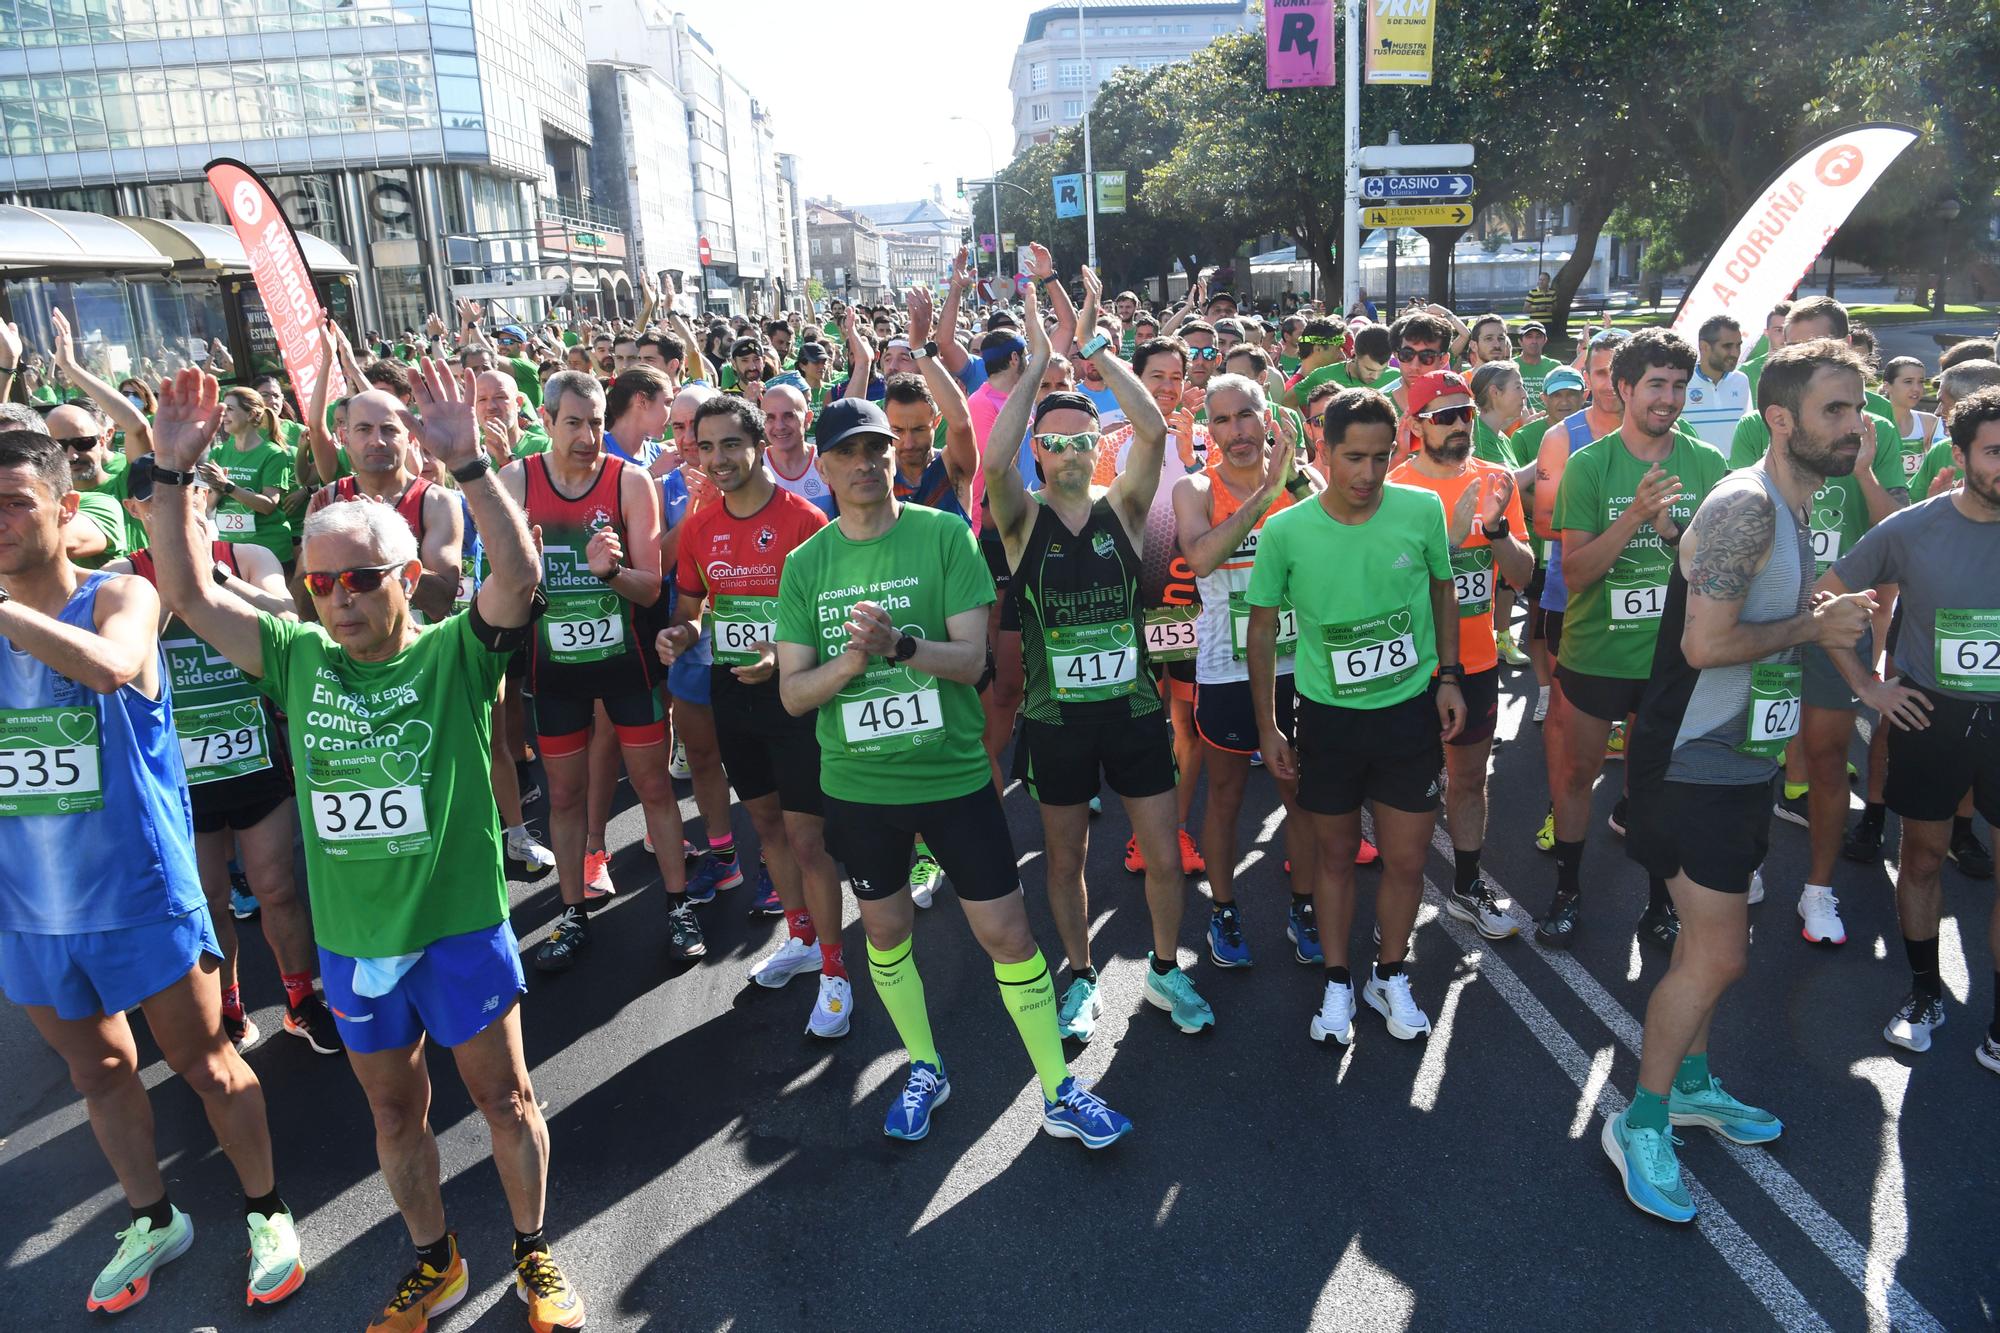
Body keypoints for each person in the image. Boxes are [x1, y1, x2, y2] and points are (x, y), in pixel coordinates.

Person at [146, 361, 586, 1331]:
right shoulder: (297, 656)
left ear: (404, 579)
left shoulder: (453, 652)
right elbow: (183, 589)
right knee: (395, 1116)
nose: (338, 600)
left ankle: (532, 1252)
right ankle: (436, 1262)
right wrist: (172, 477)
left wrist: (469, 461)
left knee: (506, 1100)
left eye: (358, 580)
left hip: (459, 924)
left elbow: (518, 576)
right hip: (356, 944)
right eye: (321, 583)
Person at [0, 427, 306, 1314]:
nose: (1, 521)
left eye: (16, 502)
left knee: (207, 1064)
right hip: (31, 907)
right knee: (98, 1071)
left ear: (66, 511)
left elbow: (112, 667)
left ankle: (267, 1209)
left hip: (139, 893)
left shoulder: (121, 595)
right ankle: (152, 1216)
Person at [773, 396, 1134, 1148]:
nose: (869, 462)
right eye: (849, 452)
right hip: (861, 786)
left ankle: (1061, 1088)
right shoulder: (807, 563)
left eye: (878, 448)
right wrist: (852, 658)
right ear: (825, 464)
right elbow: (793, 692)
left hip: (952, 778)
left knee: (1007, 931)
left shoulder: (941, 536)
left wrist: (901, 646)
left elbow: (973, 662)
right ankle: (926, 1066)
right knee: (885, 928)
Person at [1608, 341, 1878, 1222]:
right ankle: (1639, 1120)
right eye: (1836, 410)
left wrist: (1863, 675)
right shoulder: (1748, 507)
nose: (1855, 425)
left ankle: (1689, 1085)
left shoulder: (1798, 502)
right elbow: (1702, 646)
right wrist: (1811, 626)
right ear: (1781, 420)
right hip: (1688, 767)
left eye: (1858, 407)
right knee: (1718, 952)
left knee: (1707, 949)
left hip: (1739, 763)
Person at [984, 268, 1211, 1039]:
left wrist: (1099, 355)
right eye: (1053, 442)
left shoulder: (1125, 506)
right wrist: (1039, 356)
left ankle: (1165, 970)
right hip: (1057, 719)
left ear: (1095, 445)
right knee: (1063, 857)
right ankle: (1079, 976)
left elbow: (1152, 430)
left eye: (1082, 436)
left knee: (1163, 855)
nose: (1069, 449)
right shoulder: (1020, 520)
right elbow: (991, 462)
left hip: (1136, 711)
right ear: (1039, 455)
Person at [1251, 385, 1463, 1045]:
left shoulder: (1422, 508)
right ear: (1323, 449)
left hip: (1407, 716)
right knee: (1336, 858)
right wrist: (1269, 725)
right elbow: (1260, 633)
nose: (1368, 474)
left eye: (1380, 456)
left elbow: (1442, 587)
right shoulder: (1285, 529)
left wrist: (1449, 674)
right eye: (1353, 458)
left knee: (1405, 861)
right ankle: (1339, 982)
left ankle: (1390, 972)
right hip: (1329, 721)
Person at [1820, 384, 2000, 1069]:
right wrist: (1867, 683)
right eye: (1995, 451)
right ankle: (1924, 990)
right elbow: (1826, 597)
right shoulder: (1912, 526)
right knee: (1922, 858)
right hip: (1932, 715)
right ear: (1959, 454)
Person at [660, 395, 850, 1036]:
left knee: (807, 838)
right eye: (704, 446)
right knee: (766, 824)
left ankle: (834, 968)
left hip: (793, 695)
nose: (717, 459)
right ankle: (799, 938)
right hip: (731, 692)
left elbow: (833, 617)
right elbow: (691, 607)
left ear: (758, 445)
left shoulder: (805, 519)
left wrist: (782, 654)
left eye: (729, 445)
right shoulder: (697, 523)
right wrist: (680, 635)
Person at [501, 370, 698, 970]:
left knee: (654, 788)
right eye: (573, 423)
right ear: (545, 418)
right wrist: (523, 570)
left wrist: (611, 573)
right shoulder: (517, 480)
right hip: (554, 668)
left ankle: (677, 905)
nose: (588, 436)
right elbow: (498, 592)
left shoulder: (629, 482)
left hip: (625, 663)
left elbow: (649, 589)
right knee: (564, 797)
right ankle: (571, 913)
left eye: (594, 422)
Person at [1542, 328, 1728, 947]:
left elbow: (1720, 572)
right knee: (1577, 775)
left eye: (1679, 385)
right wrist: (1632, 518)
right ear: (1623, 388)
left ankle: (1659, 902)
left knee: (1660, 781)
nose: (1669, 398)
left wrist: (1675, 534)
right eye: (1656, 384)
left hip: (1676, 657)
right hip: (1598, 653)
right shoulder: (1590, 466)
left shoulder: (1705, 463)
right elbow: (1575, 573)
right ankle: (1567, 892)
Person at [1172, 372, 1322, 968]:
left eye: (1246, 416)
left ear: (1270, 419)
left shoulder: (1307, 485)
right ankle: (1224, 910)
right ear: (1209, 430)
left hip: (1300, 667)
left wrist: (1296, 486)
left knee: (1300, 792)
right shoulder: (1195, 488)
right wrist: (1265, 494)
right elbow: (1202, 557)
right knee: (1228, 794)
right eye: (1223, 420)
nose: (1236, 431)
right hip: (1226, 670)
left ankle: (1304, 904)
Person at [1389, 372, 1535, 940]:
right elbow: (1382, 589)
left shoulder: (1497, 480)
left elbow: (1521, 577)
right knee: (1405, 792)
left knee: (1469, 780)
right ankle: (1399, 903)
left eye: (1466, 415)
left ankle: (1467, 887)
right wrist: (1446, 545)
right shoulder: (1395, 489)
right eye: (1444, 416)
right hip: (1411, 667)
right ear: (1417, 425)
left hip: (1475, 664)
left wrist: (1496, 530)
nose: (1458, 426)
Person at [1516, 365, 1587, 721]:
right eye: (1557, 395)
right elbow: (1515, 491)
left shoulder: (1599, 430)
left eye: (1572, 394)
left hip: (1583, 544)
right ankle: (1545, 691)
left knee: (1582, 621)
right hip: (1539, 544)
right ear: (1543, 399)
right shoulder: (1527, 436)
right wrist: (1561, 513)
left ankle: (1576, 696)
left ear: (1583, 395)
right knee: (1539, 623)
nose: (1565, 401)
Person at [205, 388, 297, 569]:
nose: (224, 415)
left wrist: (228, 486)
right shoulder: (218, 452)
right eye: (223, 409)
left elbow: (268, 505)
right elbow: (208, 506)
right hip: (230, 550)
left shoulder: (274, 454)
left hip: (269, 548)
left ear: (251, 414)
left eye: (230, 409)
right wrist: (217, 491)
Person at [1684, 315, 1751, 451]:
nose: (1735, 353)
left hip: (1735, 471)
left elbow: (1747, 432)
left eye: (1738, 346)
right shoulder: (1683, 382)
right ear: (1704, 347)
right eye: (1727, 346)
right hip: (1695, 470)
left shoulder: (1741, 381)